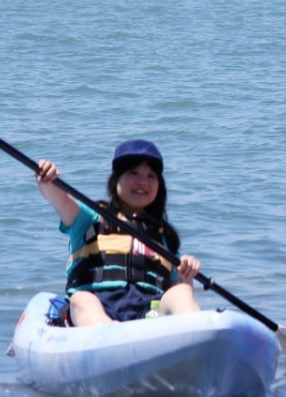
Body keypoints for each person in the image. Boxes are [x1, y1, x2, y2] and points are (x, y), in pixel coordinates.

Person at [35, 138, 202, 327]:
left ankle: (203, 335)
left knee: (181, 293)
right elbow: (61, 200)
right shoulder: (92, 218)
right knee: (80, 299)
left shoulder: (164, 239)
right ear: (116, 180)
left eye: (151, 176)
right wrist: (47, 181)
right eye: (133, 173)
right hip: (98, 308)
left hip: (149, 312)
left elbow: (173, 295)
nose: (142, 181)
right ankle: (108, 334)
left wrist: (186, 278)